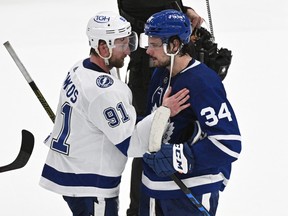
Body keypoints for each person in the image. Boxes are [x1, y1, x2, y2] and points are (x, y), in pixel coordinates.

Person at [39, 11, 190, 216]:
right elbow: (132, 144)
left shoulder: (79, 68)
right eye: (122, 44)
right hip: (90, 184)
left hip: (74, 172)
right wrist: (164, 112)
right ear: (103, 48)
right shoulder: (105, 91)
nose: (129, 50)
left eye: (130, 41)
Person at [140, 9, 242, 215]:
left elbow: (229, 143)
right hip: (153, 188)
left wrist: (183, 156)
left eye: (154, 44)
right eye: (147, 42)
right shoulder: (160, 72)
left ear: (174, 45)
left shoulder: (203, 82)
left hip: (190, 191)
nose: (148, 51)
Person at [117, 1, 203, 215]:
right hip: (147, 69)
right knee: (147, 135)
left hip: (171, 60)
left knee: (182, 130)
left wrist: (184, 11)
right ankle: (140, 209)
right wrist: (180, 17)